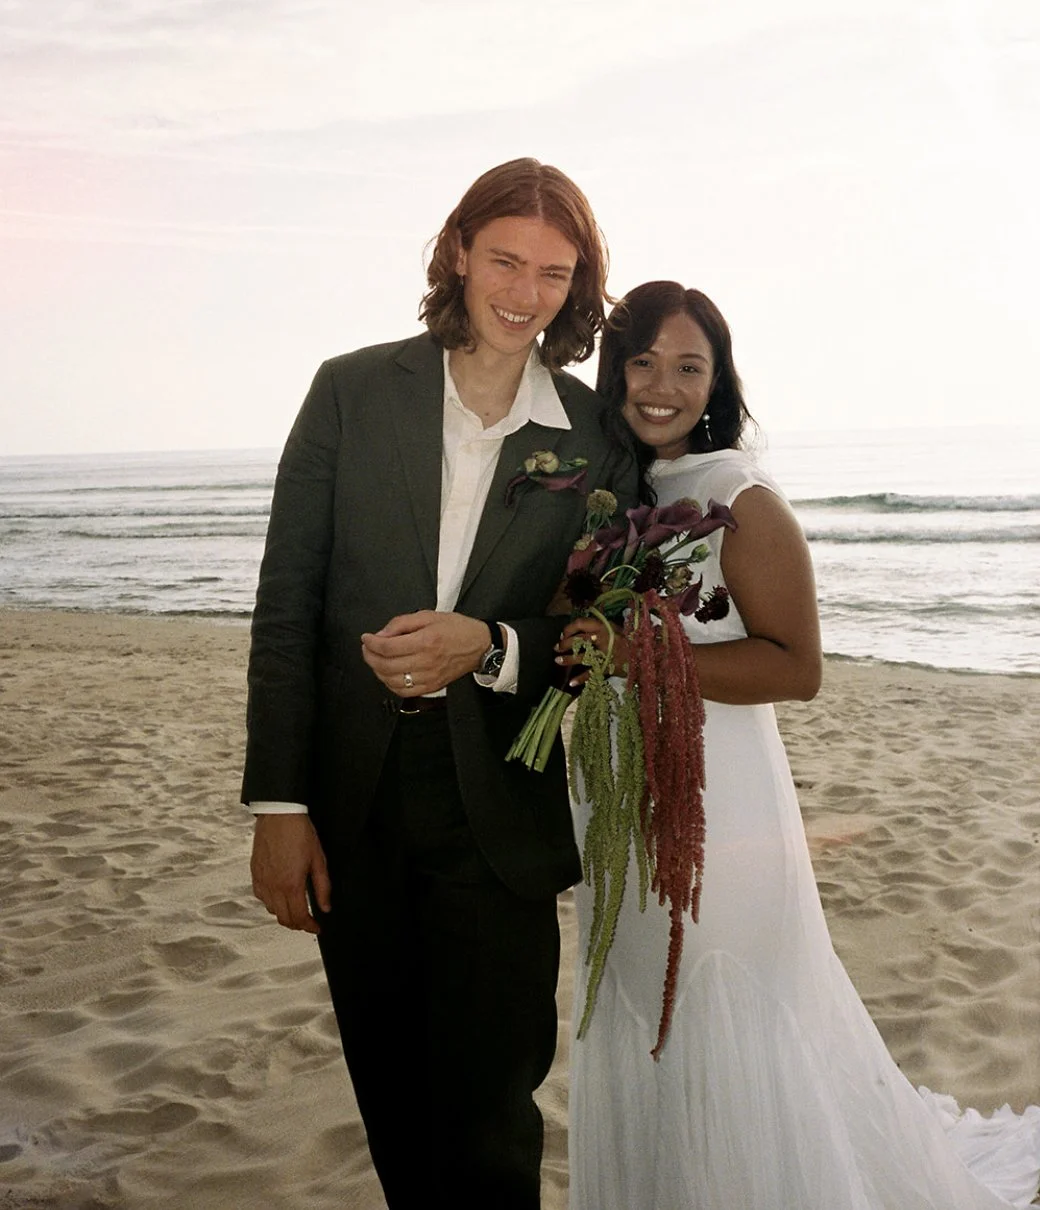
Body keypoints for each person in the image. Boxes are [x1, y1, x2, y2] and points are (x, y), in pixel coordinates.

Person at [557, 281, 1040, 1209]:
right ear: (614, 370)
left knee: (719, 1006)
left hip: (719, 803)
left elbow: (796, 667)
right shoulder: (608, 498)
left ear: (718, 381)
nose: (664, 385)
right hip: (616, 793)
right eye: (644, 362)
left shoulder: (742, 498)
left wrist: (637, 655)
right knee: (635, 1006)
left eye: (689, 366)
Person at [241, 159, 636, 1210]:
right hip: (353, 797)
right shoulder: (349, 389)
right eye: (505, 259)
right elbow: (288, 603)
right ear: (457, 251)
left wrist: (493, 643)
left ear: (578, 283)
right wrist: (280, 806)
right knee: (392, 1095)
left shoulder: (595, 435)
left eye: (554, 272)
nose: (523, 292)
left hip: (498, 805)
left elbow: (606, 629)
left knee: (489, 1112)